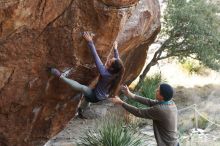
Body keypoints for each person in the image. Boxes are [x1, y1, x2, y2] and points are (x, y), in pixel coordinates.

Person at [49, 32, 125, 118]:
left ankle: (60, 76)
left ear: (111, 68)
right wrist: (115, 49)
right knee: (87, 97)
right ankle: (81, 110)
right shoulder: (118, 71)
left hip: (95, 97)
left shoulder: (105, 74)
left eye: (109, 62)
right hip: (100, 95)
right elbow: (117, 60)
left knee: (84, 89)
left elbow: (96, 58)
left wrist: (90, 42)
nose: (109, 60)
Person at [111, 83, 179, 146]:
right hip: (173, 143)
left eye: (158, 90)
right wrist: (130, 94)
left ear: (162, 96)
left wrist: (121, 103)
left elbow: (138, 112)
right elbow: (149, 102)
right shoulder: (170, 102)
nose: (156, 90)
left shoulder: (160, 110)